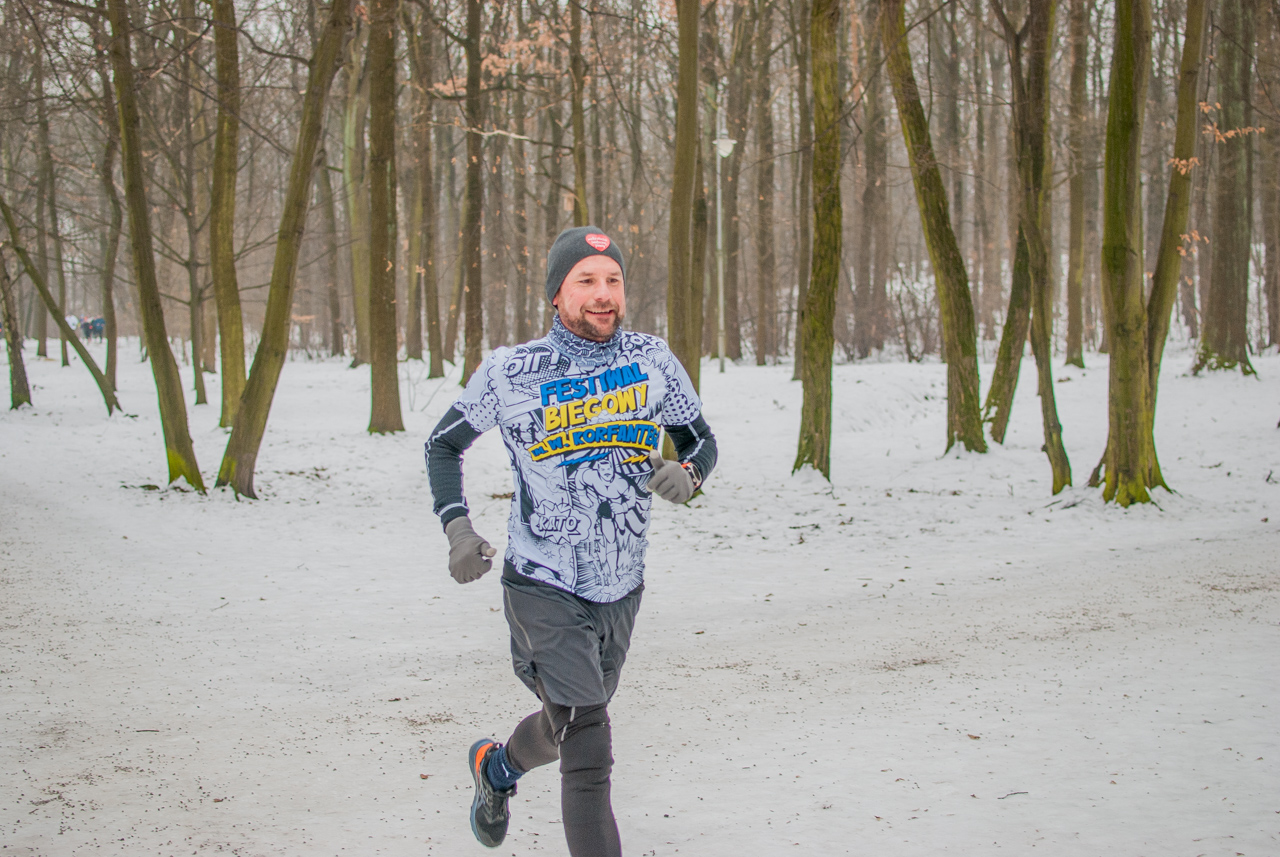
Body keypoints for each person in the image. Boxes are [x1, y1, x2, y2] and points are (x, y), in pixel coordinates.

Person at [424, 226, 717, 856]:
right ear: (556, 294)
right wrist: (457, 529)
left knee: (567, 725)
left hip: (622, 586)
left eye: (612, 281)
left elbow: (700, 440)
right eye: (586, 281)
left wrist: (688, 473)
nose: (603, 294)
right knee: (590, 745)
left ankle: (497, 769)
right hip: (541, 583)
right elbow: (442, 444)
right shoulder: (511, 372)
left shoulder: (653, 360)